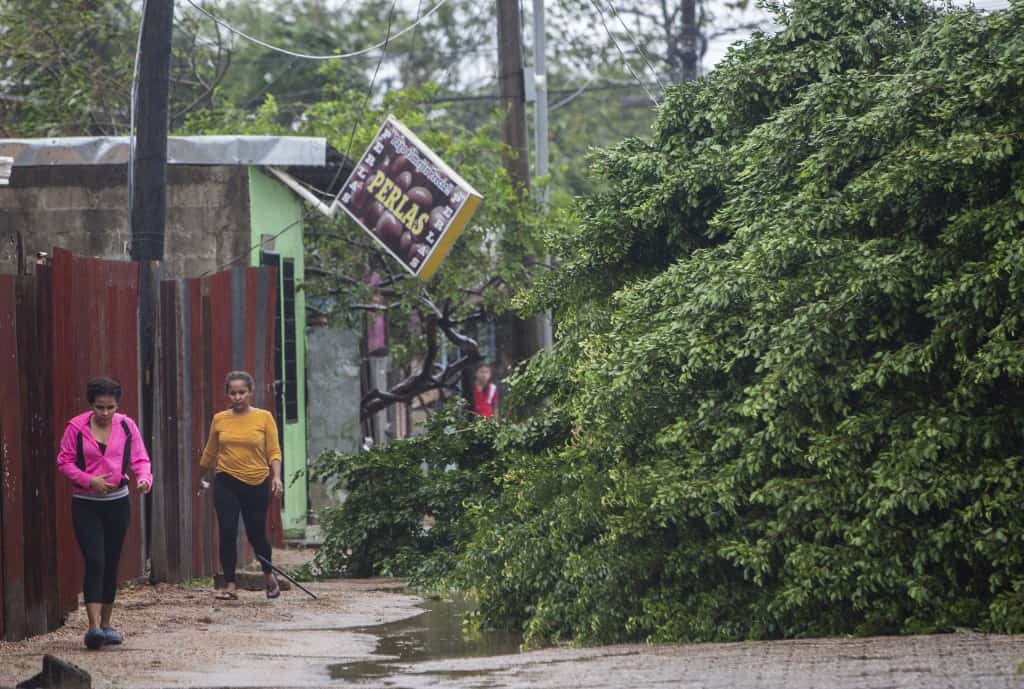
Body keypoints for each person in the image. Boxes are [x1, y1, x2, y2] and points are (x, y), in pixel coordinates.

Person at [56, 377, 152, 650]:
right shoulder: (76, 427)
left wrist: (144, 479)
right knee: (95, 559)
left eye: (111, 407)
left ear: (117, 405)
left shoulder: (126, 425)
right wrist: (89, 480)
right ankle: (93, 627)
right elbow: (64, 461)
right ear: (91, 405)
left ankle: (108, 625)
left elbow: (140, 459)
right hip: (86, 503)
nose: (106, 413)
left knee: (111, 562)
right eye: (100, 408)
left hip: (118, 502)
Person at [199, 371, 284, 600]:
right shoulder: (220, 419)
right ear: (227, 394)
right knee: (227, 531)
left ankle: (268, 576)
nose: (237, 397)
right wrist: (200, 475)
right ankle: (230, 585)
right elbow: (210, 451)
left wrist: (276, 477)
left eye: (242, 392)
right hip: (226, 480)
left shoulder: (264, 418)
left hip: (257, 482)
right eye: (233, 393)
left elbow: (273, 451)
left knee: (256, 533)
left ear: (250, 393)